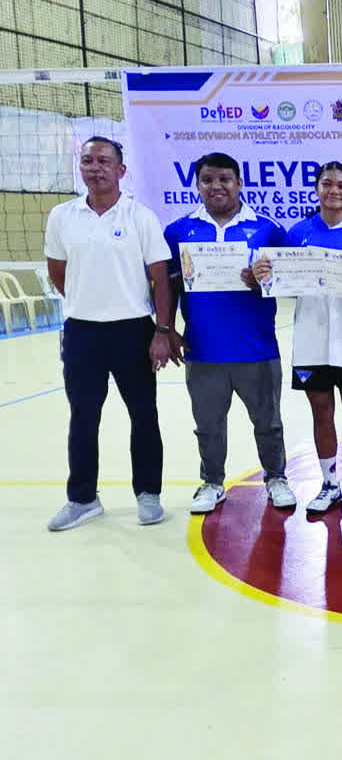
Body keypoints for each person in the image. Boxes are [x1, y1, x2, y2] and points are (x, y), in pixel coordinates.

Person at [44, 136, 176, 531]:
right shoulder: (62, 216)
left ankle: (148, 494)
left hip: (133, 331)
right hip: (82, 333)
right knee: (83, 416)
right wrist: (89, 304)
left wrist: (162, 330)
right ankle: (83, 498)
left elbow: (161, 280)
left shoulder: (140, 217)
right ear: (80, 168)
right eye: (88, 161)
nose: (95, 167)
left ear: (122, 170)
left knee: (143, 415)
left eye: (104, 161)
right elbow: (57, 271)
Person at [163, 152, 295, 514]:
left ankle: (276, 477)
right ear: (198, 185)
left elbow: (287, 279)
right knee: (208, 424)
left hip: (257, 347)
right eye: (207, 179)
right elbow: (168, 287)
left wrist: (263, 281)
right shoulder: (179, 230)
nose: (216, 186)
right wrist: (166, 329)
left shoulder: (267, 229)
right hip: (203, 348)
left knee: (268, 421)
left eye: (224, 179)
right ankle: (212, 481)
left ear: (239, 183)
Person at [252, 161, 342, 515]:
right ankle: (329, 484)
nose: (334, 191)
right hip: (310, 339)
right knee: (320, 411)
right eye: (327, 184)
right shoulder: (297, 233)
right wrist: (264, 274)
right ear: (317, 189)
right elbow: (282, 283)